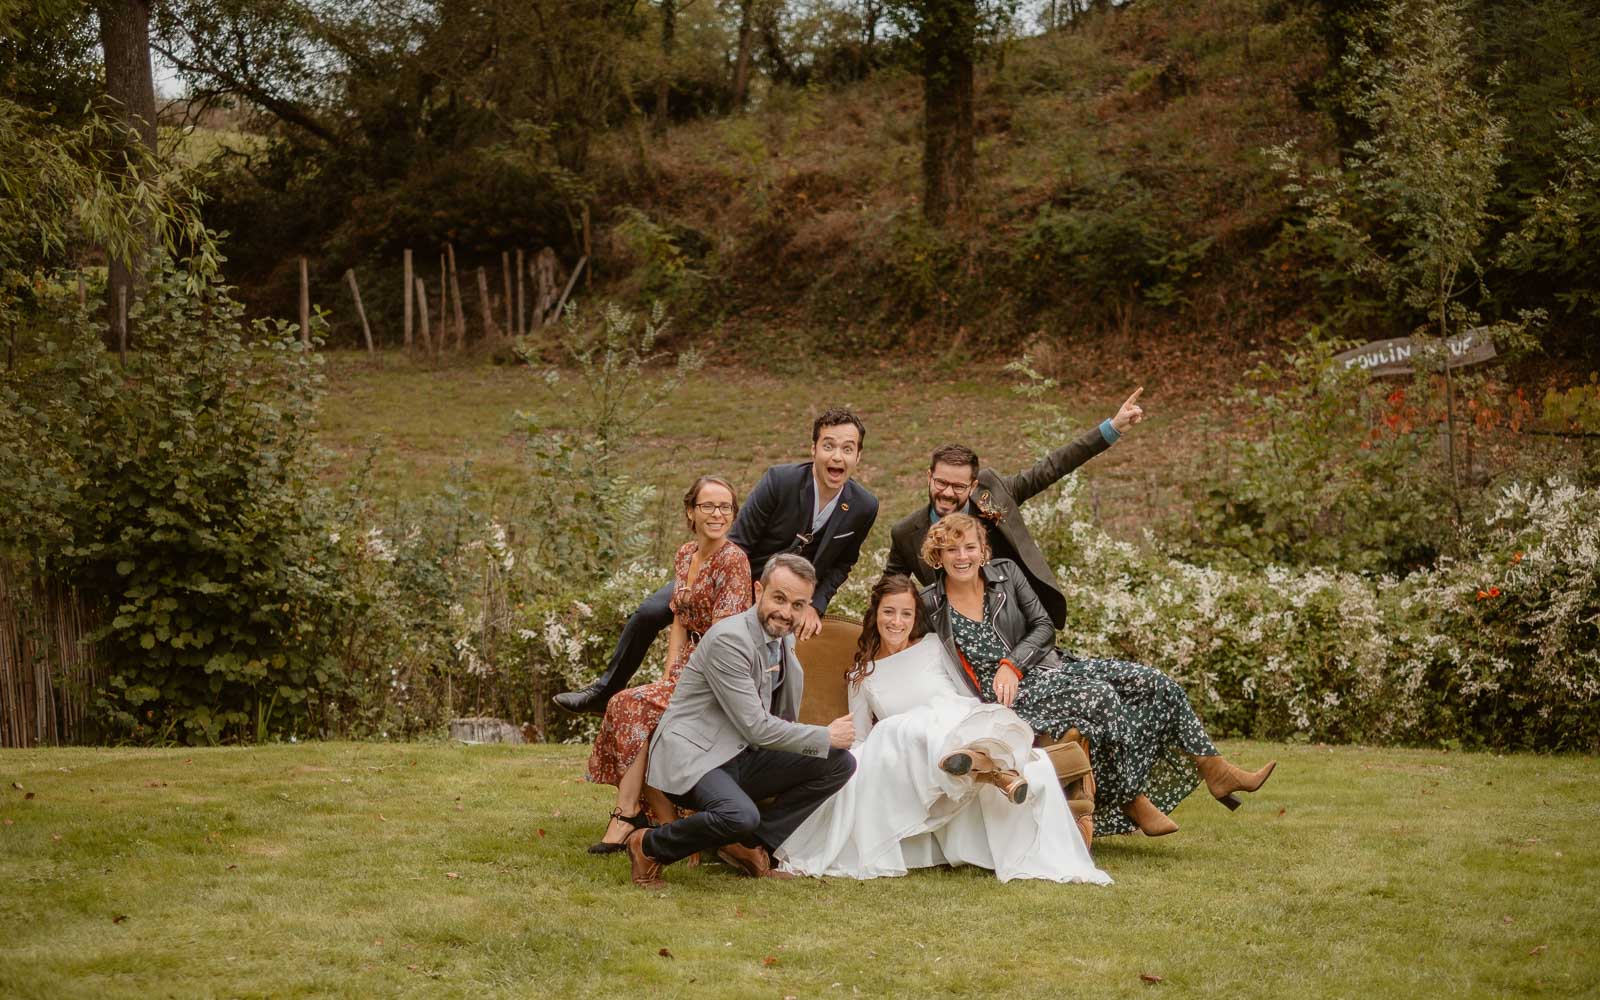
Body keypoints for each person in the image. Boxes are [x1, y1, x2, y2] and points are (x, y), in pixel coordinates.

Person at [919, 513, 1275, 838]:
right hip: (1008, 699)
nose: (962, 556)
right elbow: (896, 634)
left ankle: (1215, 769)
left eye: (970, 547)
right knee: (1100, 696)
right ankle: (1131, 797)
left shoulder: (1006, 574)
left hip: (1046, 669)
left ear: (983, 551)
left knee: (1153, 681)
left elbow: (1044, 627)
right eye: (951, 549)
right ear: (939, 555)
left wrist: (1012, 663)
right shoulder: (931, 603)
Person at [775, 576, 1111, 885]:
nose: (897, 621)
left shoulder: (933, 646)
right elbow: (863, 735)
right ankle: (995, 772)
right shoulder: (862, 676)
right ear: (875, 613)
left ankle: (981, 762)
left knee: (944, 721)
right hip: (909, 750)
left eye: (906, 614)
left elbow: (965, 696)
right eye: (889, 612)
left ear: (914, 617)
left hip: (956, 722)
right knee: (902, 727)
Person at [555, 408, 880, 713]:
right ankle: (605, 691)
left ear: (858, 456)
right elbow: (737, 541)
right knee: (650, 611)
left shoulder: (864, 506)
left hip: (787, 598)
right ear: (813, 450)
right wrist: (739, 596)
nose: (837, 456)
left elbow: (842, 564)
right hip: (731, 574)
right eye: (829, 446)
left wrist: (815, 605)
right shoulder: (779, 482)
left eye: (848, 449)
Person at [624, 554, 858, 889]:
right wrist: (824, 734)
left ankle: (752, 846)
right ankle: (648, 846)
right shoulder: (729, 640)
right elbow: (756, 726)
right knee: (739, 815)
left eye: (797, 604)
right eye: (779, 598)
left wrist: (819, 745)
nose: (786, 612)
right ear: (758, 590)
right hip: (697, 754)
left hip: (743, 753)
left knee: (838, 763)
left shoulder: (783, 636)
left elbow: (775, 717)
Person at [583, 476, 751, 854]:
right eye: (707, 506)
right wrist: (668, 672)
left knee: (630, 704)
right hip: (687, 666)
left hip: (716, 675)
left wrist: (682, 683)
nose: (717, 514)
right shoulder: (686, 554)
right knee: (634, 705)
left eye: (725, 507)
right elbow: (679, 617)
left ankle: (627, 816)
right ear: (690, 512)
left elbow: (723, 638)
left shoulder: (734, 561)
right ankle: (647, 815)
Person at [885, 388, 1146, 630]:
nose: (947, 493)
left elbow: (1051, 467)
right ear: (929, 476)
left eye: (958, 486)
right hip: (960, 634)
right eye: (941, 482)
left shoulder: (993, 491)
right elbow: (889, 591)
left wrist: (1111, 429)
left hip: (1023, 620)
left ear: (973, 485)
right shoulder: (906, 533)